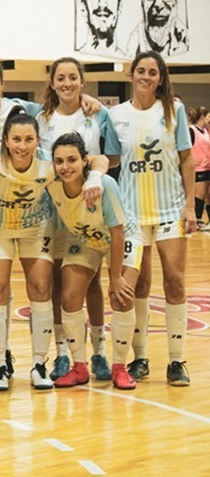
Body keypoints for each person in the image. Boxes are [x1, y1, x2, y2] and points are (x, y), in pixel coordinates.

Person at [0, 107, 107, 391]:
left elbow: (99, 159)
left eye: (29, 140)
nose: (22, 146)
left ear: (37, 141)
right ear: (5, 140)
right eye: (16, 140)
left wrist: (94, 177)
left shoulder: (48, 162)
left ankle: (38, 364)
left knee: (42, 288)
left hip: (35, 228)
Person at [104, 51, 196, 386]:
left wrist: (189, 206)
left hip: (170, 209)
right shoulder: (116, 115)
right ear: (131, 74)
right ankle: (139, 358)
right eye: (141, 71)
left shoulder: (175, 110)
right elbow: (111, 159)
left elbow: (187, 160)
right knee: (136, 285)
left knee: (175, 281)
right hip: (131, 215)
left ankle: (176, 360)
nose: (146, 76)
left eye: (152, 72)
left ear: (160, 77)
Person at [38, 57, 117, 382]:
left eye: (73, 77)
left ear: (81, 82)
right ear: (53, 83)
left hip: (88, 206)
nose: (67, 83)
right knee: (57, 282)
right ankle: (61, 352)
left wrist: (95, 176)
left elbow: (110, 157)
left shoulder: (98, 115)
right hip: (52, 208)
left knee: (92, 283)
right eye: (61, 78)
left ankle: (98, 352)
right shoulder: (40, 116)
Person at [47, 132, 142, 390]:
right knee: (69, 298)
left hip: (121, 236)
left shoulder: (103, 185)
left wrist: (115, 276)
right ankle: (79, 367)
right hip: (85, 238)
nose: (65, 167)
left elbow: (117, 232)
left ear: (84, 161)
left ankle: (120, 367)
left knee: (121, 296)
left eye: (71, 160)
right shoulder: (51, 180)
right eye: (59, 161)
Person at [188, 106, 210, 227]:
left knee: (208, 194)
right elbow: (186, 148)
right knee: (199, 194)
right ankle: (197, 219)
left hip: (207, 166)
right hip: (198, 168)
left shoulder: (206, 130)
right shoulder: (191, 130)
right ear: (202, 117)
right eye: (208, 116)